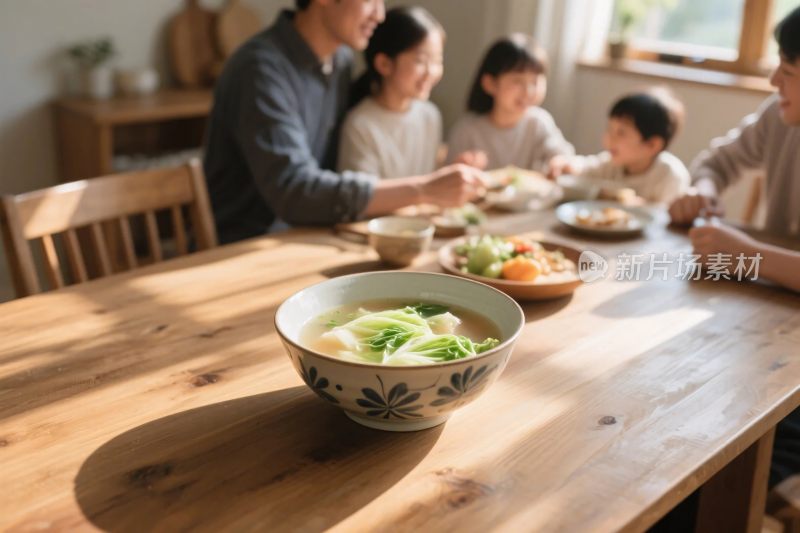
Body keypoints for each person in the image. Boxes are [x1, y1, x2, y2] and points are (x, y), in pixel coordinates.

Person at [203, 0, 486, 244]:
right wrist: (423, 190)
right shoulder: (260, 70)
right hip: (245, 245)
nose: (380, 14)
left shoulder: (340, 61)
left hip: (315, 234)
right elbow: (294, 190)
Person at [669, 6, 800, 294]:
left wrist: (751, 257)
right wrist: (703, 193)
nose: (774, 80)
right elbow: (715, 164)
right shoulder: (778, 118)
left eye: (787, 71)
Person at [338, 6, 445, 178]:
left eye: (437, 61)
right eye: (421, 61)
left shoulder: (430, 116)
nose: (430, 72)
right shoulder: (361, 125)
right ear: (384, 64)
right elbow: (363, 199)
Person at [446, 34, 574, 172]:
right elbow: (448, 179)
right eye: (518, 81)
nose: (528, 91)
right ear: (490, 84)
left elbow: (563, 156)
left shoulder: (539, 123)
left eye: (535, 82)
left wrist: (560, 162)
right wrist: (462, 166)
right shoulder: (467, 131)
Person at [548, 89, 690, 205]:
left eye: (621, 133)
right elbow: (585, 167)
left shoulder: (671, 176)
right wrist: (567, 164)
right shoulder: (611, 164)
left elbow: (668, 220)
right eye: (609, 129)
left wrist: (641, 206)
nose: (609, 138)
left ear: (652, 145)